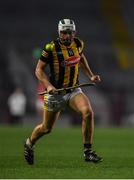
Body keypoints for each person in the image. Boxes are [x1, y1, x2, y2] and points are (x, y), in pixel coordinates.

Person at [24, 18, 103, 165]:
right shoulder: (51, 47)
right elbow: (38, 70)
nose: (67, 36)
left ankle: (88, 151)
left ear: (74, 32)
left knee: (88, 112)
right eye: (64, 32)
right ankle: (29, 143)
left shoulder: (78, 43)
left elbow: (81, 57)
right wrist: (48, 86)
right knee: (46, 128)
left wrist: (91, 74)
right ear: (59, 32)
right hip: (55, 94)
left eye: (69, 32)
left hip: (73, 90)